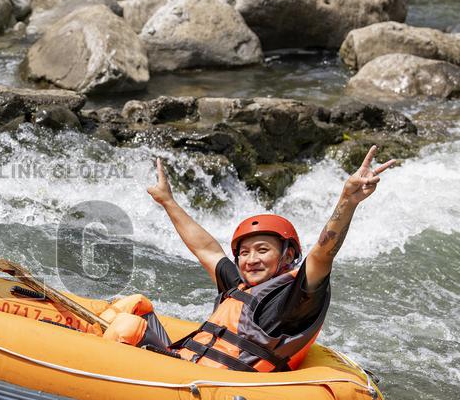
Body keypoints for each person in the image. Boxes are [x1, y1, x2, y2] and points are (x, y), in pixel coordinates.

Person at [102, 147, 396, 372]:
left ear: (288, 256)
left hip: (214, 386)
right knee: (134, 305)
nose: (250, 260)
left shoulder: (290, 302)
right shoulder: (241, 285)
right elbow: (207, 249)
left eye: (262, 250)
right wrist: (168, 202)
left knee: (126, 328)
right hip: (183, 364)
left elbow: (323, 253)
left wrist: (347, 200)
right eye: (244, 253)